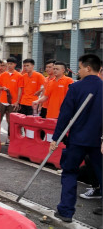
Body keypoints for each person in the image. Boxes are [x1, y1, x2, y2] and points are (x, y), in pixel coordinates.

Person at [50, 54, 102, 223]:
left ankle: (65, 211)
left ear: (88, 68)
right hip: (98, 141)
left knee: (70, 172)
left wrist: (56, 138)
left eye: (79, 68)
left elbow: (65, 115)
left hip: (77, 140)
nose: (78, 71)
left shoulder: (76, 88)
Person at [0, 57, 22, 143]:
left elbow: (20, 90)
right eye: (8, 64)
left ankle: (9, 137)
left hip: (13, 102)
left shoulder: (19, 76)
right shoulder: (3, 75)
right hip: (3, 101)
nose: (9, 65)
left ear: (15, 65)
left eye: (11, 64)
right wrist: (3, 88)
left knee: (11, 121)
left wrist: (17, 102)